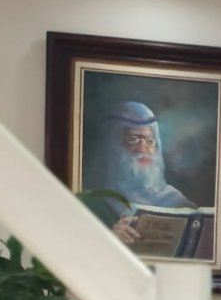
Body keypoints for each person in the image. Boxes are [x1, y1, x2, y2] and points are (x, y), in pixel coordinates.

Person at [83, 101, 194, 245]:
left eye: (150, 141)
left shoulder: (180, 204)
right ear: (112, 145)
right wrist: (108, 241)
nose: (143, 148)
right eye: (133, 139)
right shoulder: (91, 205)